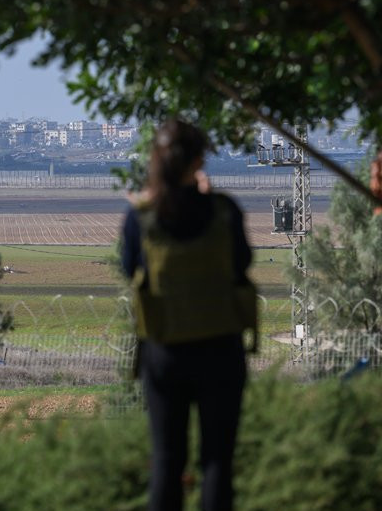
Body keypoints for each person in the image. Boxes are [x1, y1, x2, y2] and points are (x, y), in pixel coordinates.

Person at [121, 119, 254, 511]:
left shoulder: (141, 218)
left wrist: (149, 204)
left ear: (156, 159)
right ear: (199, 160)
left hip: (164, 350)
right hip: (220, 347)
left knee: (167, 460)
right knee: (217, 462)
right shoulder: (223, 210)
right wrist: (209, 199)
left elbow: (131, 270)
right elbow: (241, 264)